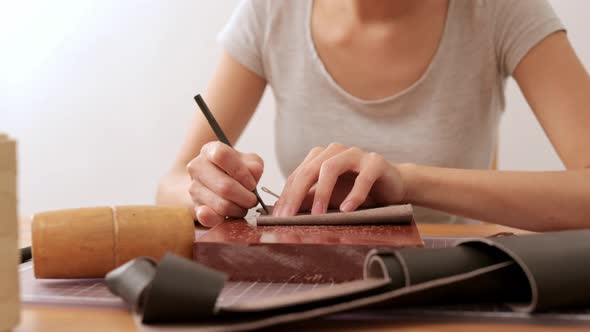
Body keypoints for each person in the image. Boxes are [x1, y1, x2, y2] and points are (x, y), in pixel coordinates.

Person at [156, 0, 590, 231]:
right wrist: (205, 192)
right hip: (305, 286)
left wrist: (406, 182)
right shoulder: (272, 9)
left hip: (451, 288)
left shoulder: (501, 9)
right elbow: (172, 183)